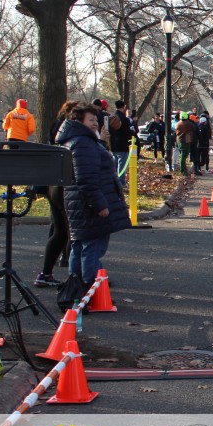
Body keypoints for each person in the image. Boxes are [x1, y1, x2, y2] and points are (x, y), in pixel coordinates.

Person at [56, 102, 130, 289]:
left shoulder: (79, 140)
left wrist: (102, 142)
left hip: (79, 203)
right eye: (90, 120)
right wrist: (100, 205)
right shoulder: (83, 143)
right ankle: (90, 289)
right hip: (89, 205)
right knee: (92, 248)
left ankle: (76, 287)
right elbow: (86, 179)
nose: (95, 123)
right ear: (78, 121)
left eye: (95, 119)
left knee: (80, 246)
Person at [32, 100, 76, 288]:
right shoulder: (74, 133)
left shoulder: (58, 129)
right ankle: (76, 278)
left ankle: (46, 273)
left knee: (60, 231)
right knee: (73, 233)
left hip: (54, 184)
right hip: (65, 185)